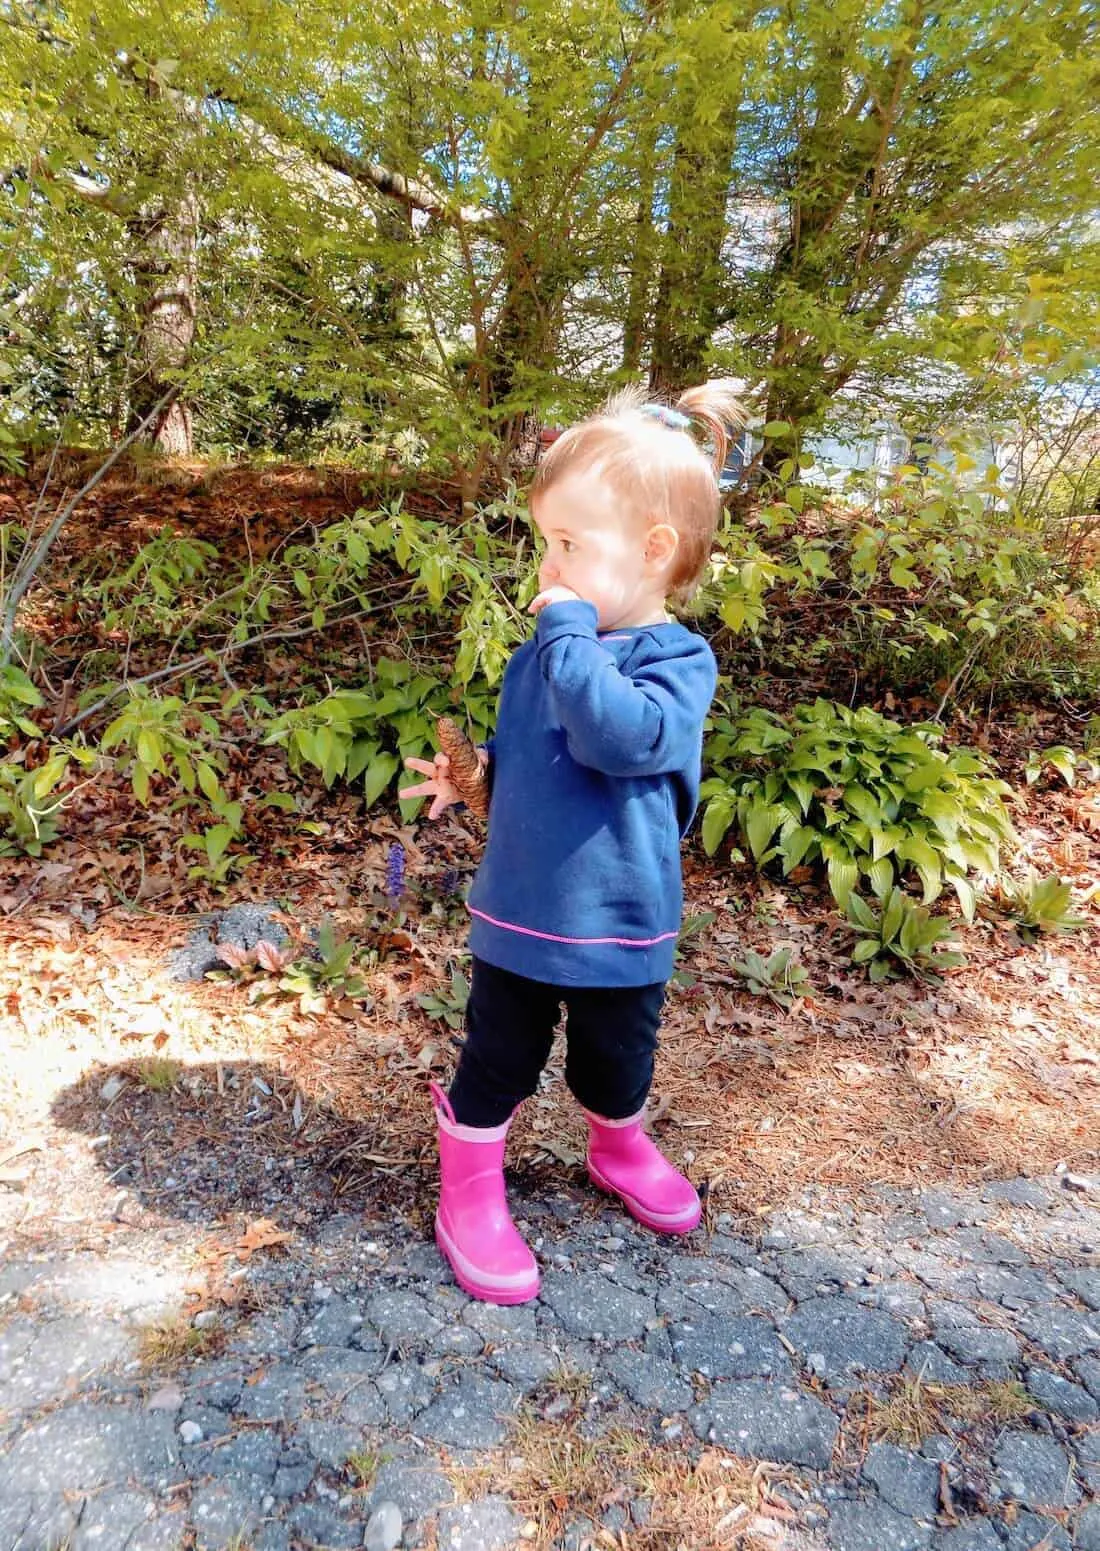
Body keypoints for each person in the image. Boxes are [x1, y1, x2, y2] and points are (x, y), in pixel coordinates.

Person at [400, 382, 745, 1305]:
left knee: (615, 1057)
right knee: (499, 1054)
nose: (545, 570)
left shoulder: (677, 663)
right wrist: (475, 777)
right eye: (544, 541)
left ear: (654, 551)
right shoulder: (545, 652)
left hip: (624, 916)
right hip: (520, 905)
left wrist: (565, 633)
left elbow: (616, 737)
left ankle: (617, 1142)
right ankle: (470, 1183)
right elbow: (532, 761)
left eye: (568, 546)